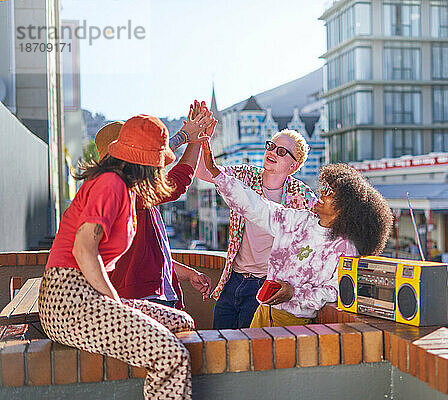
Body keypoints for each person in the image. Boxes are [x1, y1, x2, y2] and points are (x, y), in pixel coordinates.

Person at [38, 114, 203, 400]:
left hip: (84, 296)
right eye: (157, 163)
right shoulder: (110, 183)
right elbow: (82, 249)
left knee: (182, 322)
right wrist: (116, 304)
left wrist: (192, 138)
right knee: (171, 355)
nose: (159, 169)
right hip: (69, 300)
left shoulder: (123, 188)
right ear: (144, 163)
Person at [199, 137, 393, 328]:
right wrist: (216, 173)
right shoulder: (298, 220)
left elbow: (333, 291)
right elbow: (256, 207)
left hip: (292, 326)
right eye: (324, 187)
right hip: (263, 311)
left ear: (344, 208)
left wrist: (293, 293)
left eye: (330, 192)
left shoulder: (345, 249)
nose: (322, 192)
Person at [194, 115, 316, 329]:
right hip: (233, 280)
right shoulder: (246, 175)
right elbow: (204, 172)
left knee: (247, 352)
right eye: (271, 146)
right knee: (219, 347)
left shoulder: (303, 197)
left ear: (293, 165)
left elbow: (317, 241)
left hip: (266, 287)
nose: (272, 152)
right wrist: (199, 137)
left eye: (281, 151)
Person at [100, 101, 216, 308]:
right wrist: (186, 136)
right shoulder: (124, 191)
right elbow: (177, 182)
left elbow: (148, 258)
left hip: (145, 298)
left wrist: (196, 138)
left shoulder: (136, 196)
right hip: (142, 302)